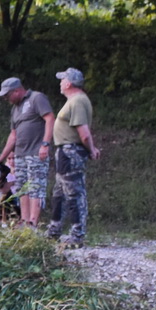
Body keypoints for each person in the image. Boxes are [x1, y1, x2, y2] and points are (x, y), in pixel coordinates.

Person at [46, 67, 101, 247]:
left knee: (73, 194)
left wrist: (91, 149)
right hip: (66, 151)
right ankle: (54, 230)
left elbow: (83, 133)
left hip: (71, 152)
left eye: (62, 80)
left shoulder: (77, 101)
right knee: (59, 194)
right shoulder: (75, 101)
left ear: (69, 83)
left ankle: (77, 236)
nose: (60, 83)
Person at [0, 77, 54, 226]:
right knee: (22, 188)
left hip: (36, 153)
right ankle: (24, 221)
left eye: (7, 95)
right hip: (20, 155)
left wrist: (45, 144)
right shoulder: (15, 109)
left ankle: (33, 222)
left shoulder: (36, 98)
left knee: (35, 187)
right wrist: (2, 157)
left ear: (17, 91)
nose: (6, 98)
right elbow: (13, 135)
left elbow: (50, 119)